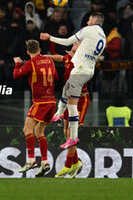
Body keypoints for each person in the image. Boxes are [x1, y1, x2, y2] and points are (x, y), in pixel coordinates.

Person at [40, 12, 106, 149]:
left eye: (88, 20)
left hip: (80, 71)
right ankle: (58, 114)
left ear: (94, 20)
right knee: (66, 88)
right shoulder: (103, 37)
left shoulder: (89, 30)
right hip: (88, 70)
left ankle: (73, 138)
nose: (87, 22)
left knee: (71, 105)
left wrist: (49, 37)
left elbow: (68, 41)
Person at [13, 39, 58, 177]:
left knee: (27, 129)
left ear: (27, 52)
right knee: (39, 131)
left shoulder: (30, 63)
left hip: (40, 103)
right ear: (39, 50)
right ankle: (45, 162)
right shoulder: (49, 61)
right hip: (52, 102)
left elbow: (16, 75)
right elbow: (55, 77)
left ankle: (31, 160)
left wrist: (17, 63)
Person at [45, 42, 87, 178]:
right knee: (65, 130)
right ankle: (75, 162)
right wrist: (44, 57)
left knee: (71, 132)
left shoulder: (82, 59)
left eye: (78, 42)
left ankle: (68, 166)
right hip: (70, 97)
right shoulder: (69, 57)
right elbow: (59, 58)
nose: (75, 42)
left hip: (80, 100)